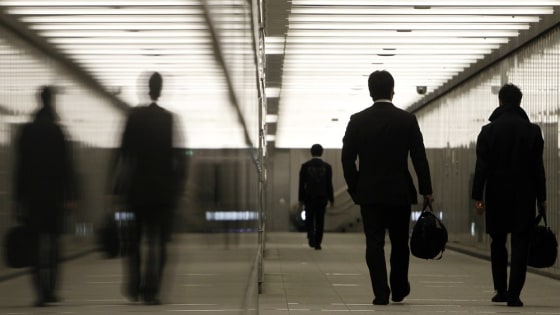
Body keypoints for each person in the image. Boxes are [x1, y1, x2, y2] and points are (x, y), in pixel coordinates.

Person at [341, 70, 433, 305]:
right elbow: (419, 157)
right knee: (400, 242)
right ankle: (400, 287)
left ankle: (381, 292)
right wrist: (426, 189)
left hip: (369, 194)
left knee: (374, 242)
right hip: (399, 192)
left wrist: (355, 187)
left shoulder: (357, 120)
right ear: (393, 90)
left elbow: (347, 158)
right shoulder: (406, 120)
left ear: (371, 92)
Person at [472, 83, 546, 307]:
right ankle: (515, 293)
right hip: (524, 196)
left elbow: (481, 167)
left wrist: (478, 196)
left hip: (496, 194)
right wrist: (541, 197)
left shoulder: (488, 131)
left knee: (497, 241)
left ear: (500, 102)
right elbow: (537, 168)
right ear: (519, 102)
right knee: (521, 242)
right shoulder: (532, 131)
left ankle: (500, 290)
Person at [114, 72, 185, 305]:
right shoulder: (169, 119)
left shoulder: (133, 116)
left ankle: (134, 283)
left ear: (146, 88)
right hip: (163, 193)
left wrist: (115, 187)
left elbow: (122, 153)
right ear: (160, 89)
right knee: (158, 242)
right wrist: (178, 188)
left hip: (136, 190)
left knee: (133, 241)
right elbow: (179, 158)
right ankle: (151, 289)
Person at [14, 86, 77, 307]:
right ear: (52, 102)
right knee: (53, 244)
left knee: (34, 245)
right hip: (54, 197)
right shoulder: (57, 131)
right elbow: (67, 166)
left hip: (32, 197)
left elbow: (20, 168)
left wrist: (18, 200)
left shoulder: (27, 131)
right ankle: (50, 289)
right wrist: (71, 196)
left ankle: (40, 292)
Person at [298, 144, 334, 250]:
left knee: (309, 218)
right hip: (322, 198)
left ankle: (311, 236)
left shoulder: (305, 166)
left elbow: (301, 184)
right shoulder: (327, 167)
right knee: (320, 219)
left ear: (311, 152)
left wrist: (300, 199)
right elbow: (329, 184)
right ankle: (318, 242)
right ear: (322, 152)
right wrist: (331, 199)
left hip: (309, 197)